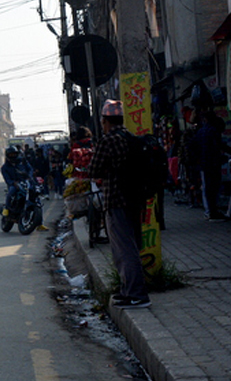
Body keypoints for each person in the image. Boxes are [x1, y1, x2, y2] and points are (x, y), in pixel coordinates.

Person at [89, 100, 150, 309]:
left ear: (105, 121)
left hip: (116, 200)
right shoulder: (130, 138)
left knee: (124, 250)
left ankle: (137, 294)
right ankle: (128, 291)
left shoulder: (108, 140)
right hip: (134, 199)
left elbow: (94, 169)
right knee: (129, 246)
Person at [189, 111, 231, 221]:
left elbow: (192, 146)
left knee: (208, 188)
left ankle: (211, 211)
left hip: (204, 164)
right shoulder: (212, 132)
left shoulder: (201, 132)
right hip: (213, 163)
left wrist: (197, 160)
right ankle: (213, 212)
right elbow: (220, 146)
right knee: (213, 187)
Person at [1, 146, 29, 217]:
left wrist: (30, 176)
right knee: (11, 191)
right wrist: (13, 183)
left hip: (25, 181)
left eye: (14, 154)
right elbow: (7, 179)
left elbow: (30, 169)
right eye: (11, 155)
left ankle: (40, 223)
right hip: (14, 184)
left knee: (36, 194)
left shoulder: (22, 161)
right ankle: (6, 208)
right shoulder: (4, 167)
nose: (13, 156)